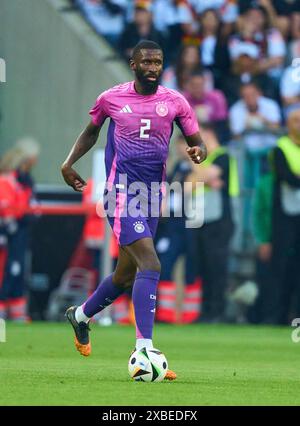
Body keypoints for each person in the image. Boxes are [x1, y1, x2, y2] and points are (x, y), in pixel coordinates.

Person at [61, 40, 207, 381]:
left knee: (126, 275)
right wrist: (68, 164)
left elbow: (197, 139)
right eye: (147, 62)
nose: (153, 67)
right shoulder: (111, 98)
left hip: (153, 195)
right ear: (134, 64)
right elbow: (91, 132)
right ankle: (145, 348)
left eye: (158, 61)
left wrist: (199, 150)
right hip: (120, 194)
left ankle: (80, 316)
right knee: (151, 262)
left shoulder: (174, 102)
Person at [186, 123, 238, 322]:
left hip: (220, 219)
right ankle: (206, 310)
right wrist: (205, 178)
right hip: (200, 218)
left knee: (217, 266)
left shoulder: (223, 156)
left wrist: (196, 167)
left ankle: (218, 311)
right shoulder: (209, 162)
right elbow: (188, 186)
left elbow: (204, 176)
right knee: (203, 265)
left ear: (210, 135)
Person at [0, 138, 40, 321]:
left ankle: (16, 315)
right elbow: (7, 211)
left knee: (17, 272)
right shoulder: (7, 180)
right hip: (7, 235)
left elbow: (33, 208)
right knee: (6, 273)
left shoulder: (27, 182)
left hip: (21, 234)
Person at [267, 109, 300, 324]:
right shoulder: (280, 148)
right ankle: (277, 315)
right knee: (283, 267)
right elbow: (287, 177)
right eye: (296, 121)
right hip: (285, 217)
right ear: (288, 124)